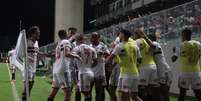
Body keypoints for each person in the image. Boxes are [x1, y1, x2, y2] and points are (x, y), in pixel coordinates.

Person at [106, 29, 142, 101]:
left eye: (120, 33)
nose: (119, 35)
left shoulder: (120, 46)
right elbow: (140, 59)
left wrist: (104, 61)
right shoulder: (135, 46)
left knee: (124, 97)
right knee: (134, 96)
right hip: (134, 73)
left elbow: (109, 59)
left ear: (122, 35)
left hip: (126, 75)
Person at [137, 31, 172, 101]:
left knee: (162, 92)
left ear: (151, 38)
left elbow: (150, 48)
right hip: (164, 69)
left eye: (149, 38)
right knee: (161, 92)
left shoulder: (155, 43)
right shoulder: (155, 45)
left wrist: (144, 37)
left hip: (162, 70)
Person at [48, 30, 81, 101]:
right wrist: (77, 56)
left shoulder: (59, 44)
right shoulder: (66, 41)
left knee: (54, 92)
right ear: (65, 34)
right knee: (68, 92)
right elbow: (67, 53)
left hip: (56, 69)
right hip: (64, 69)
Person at [172, 28, 201, 101]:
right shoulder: (198, 44)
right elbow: (199, 56)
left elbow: (173, 59)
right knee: (198, 93)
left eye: (182, 35)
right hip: (197, 72)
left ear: (184, 35)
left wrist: (174, 52)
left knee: (182, 93)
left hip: (185, 72)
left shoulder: (181, 45)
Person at [135, 29, 160, 101]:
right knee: (151, 88)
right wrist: (145, 37)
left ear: (137, 35)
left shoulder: (137, 41)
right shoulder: (148, 41)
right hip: (153, 66)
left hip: (144, 67)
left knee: (141, 88)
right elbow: (153, 47)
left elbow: (136, 56)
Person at [73, 34, 98, 101]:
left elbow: (70, 56)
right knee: (78, 90)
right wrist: (89, 67)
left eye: (75, 40)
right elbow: (96, 61)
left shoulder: (77, 48)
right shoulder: (92, 49)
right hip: (90, 72)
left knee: (86, 94)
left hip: (83, 73)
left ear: (77, 40)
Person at [22, 26, 40, 101]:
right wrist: (28, 58)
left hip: (34, 67)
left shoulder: (36, 43)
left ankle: (26, 98)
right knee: (27, 85)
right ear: (33, 34)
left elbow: (37, 52)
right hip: (27, 66)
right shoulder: (26, 41)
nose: (39, 34)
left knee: (31, 84)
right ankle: (24, 98)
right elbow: (22, 53)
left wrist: (46, 54)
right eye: (37, 33)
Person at [90, 32, 110, 101]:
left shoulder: (102, 45)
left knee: (99, 91)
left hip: (100, 71)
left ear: (98, 38)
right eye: (92, 37)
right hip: (90, 71)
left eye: (94, 37)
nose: (92, 38)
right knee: (88, 91)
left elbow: (108, 54)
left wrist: (102, 53)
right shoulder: (89, 46)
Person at [67, 27, 81, 101]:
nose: (73, 35)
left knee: (78, 87)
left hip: (77, 67)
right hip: (69, 67)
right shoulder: (66, 42)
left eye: (74, 33)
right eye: (71, 33)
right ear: (68, 33)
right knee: (69, 87)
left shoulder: (77, 44)